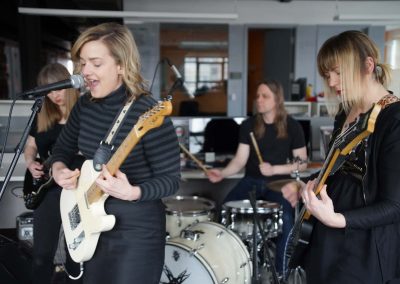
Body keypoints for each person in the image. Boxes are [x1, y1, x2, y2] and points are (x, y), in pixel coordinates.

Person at [51, 22, 180, 284]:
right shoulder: (84, 107)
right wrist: (58, 170)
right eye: (83, 63)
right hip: (89, 226)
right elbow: (61, 150)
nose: (85, 71)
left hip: (136, 231)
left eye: (95, 64)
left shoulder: (148, 113)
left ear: (121, 65)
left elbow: (171, 180)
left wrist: (133, 192)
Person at [282, 30, 400, 284]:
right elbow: (339, 170)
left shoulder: (394, 119)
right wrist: (307, 183)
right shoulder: (345, 112)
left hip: (364, 248)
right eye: (327, 75)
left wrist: (337, 219)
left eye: (338, 72)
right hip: (326, 237)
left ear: (368, 65)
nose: (332, 82)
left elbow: (394, 206)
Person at [207, 79, 308, 275]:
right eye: (257, 96)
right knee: (224, 211)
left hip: (279, 184)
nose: (259, 100)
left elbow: (302, 162)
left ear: (277, 99)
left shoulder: (293, 126)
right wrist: (222, 173)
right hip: (251, 182)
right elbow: (239, 160)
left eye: (265, 96)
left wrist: (275, 169)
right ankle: (230, 269)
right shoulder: (248, 125)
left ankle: (281, 273)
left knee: (287, 220)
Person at [23, 62, 81, 284]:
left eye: (59, 88)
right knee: (41, 256)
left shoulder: (84, 114)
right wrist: (30, 162)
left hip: (77, 187)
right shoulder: (42, 115)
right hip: (47, 189)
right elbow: (30, 146)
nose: (55, 95)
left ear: (70, 85)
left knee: (74, 255)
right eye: (48, 91)